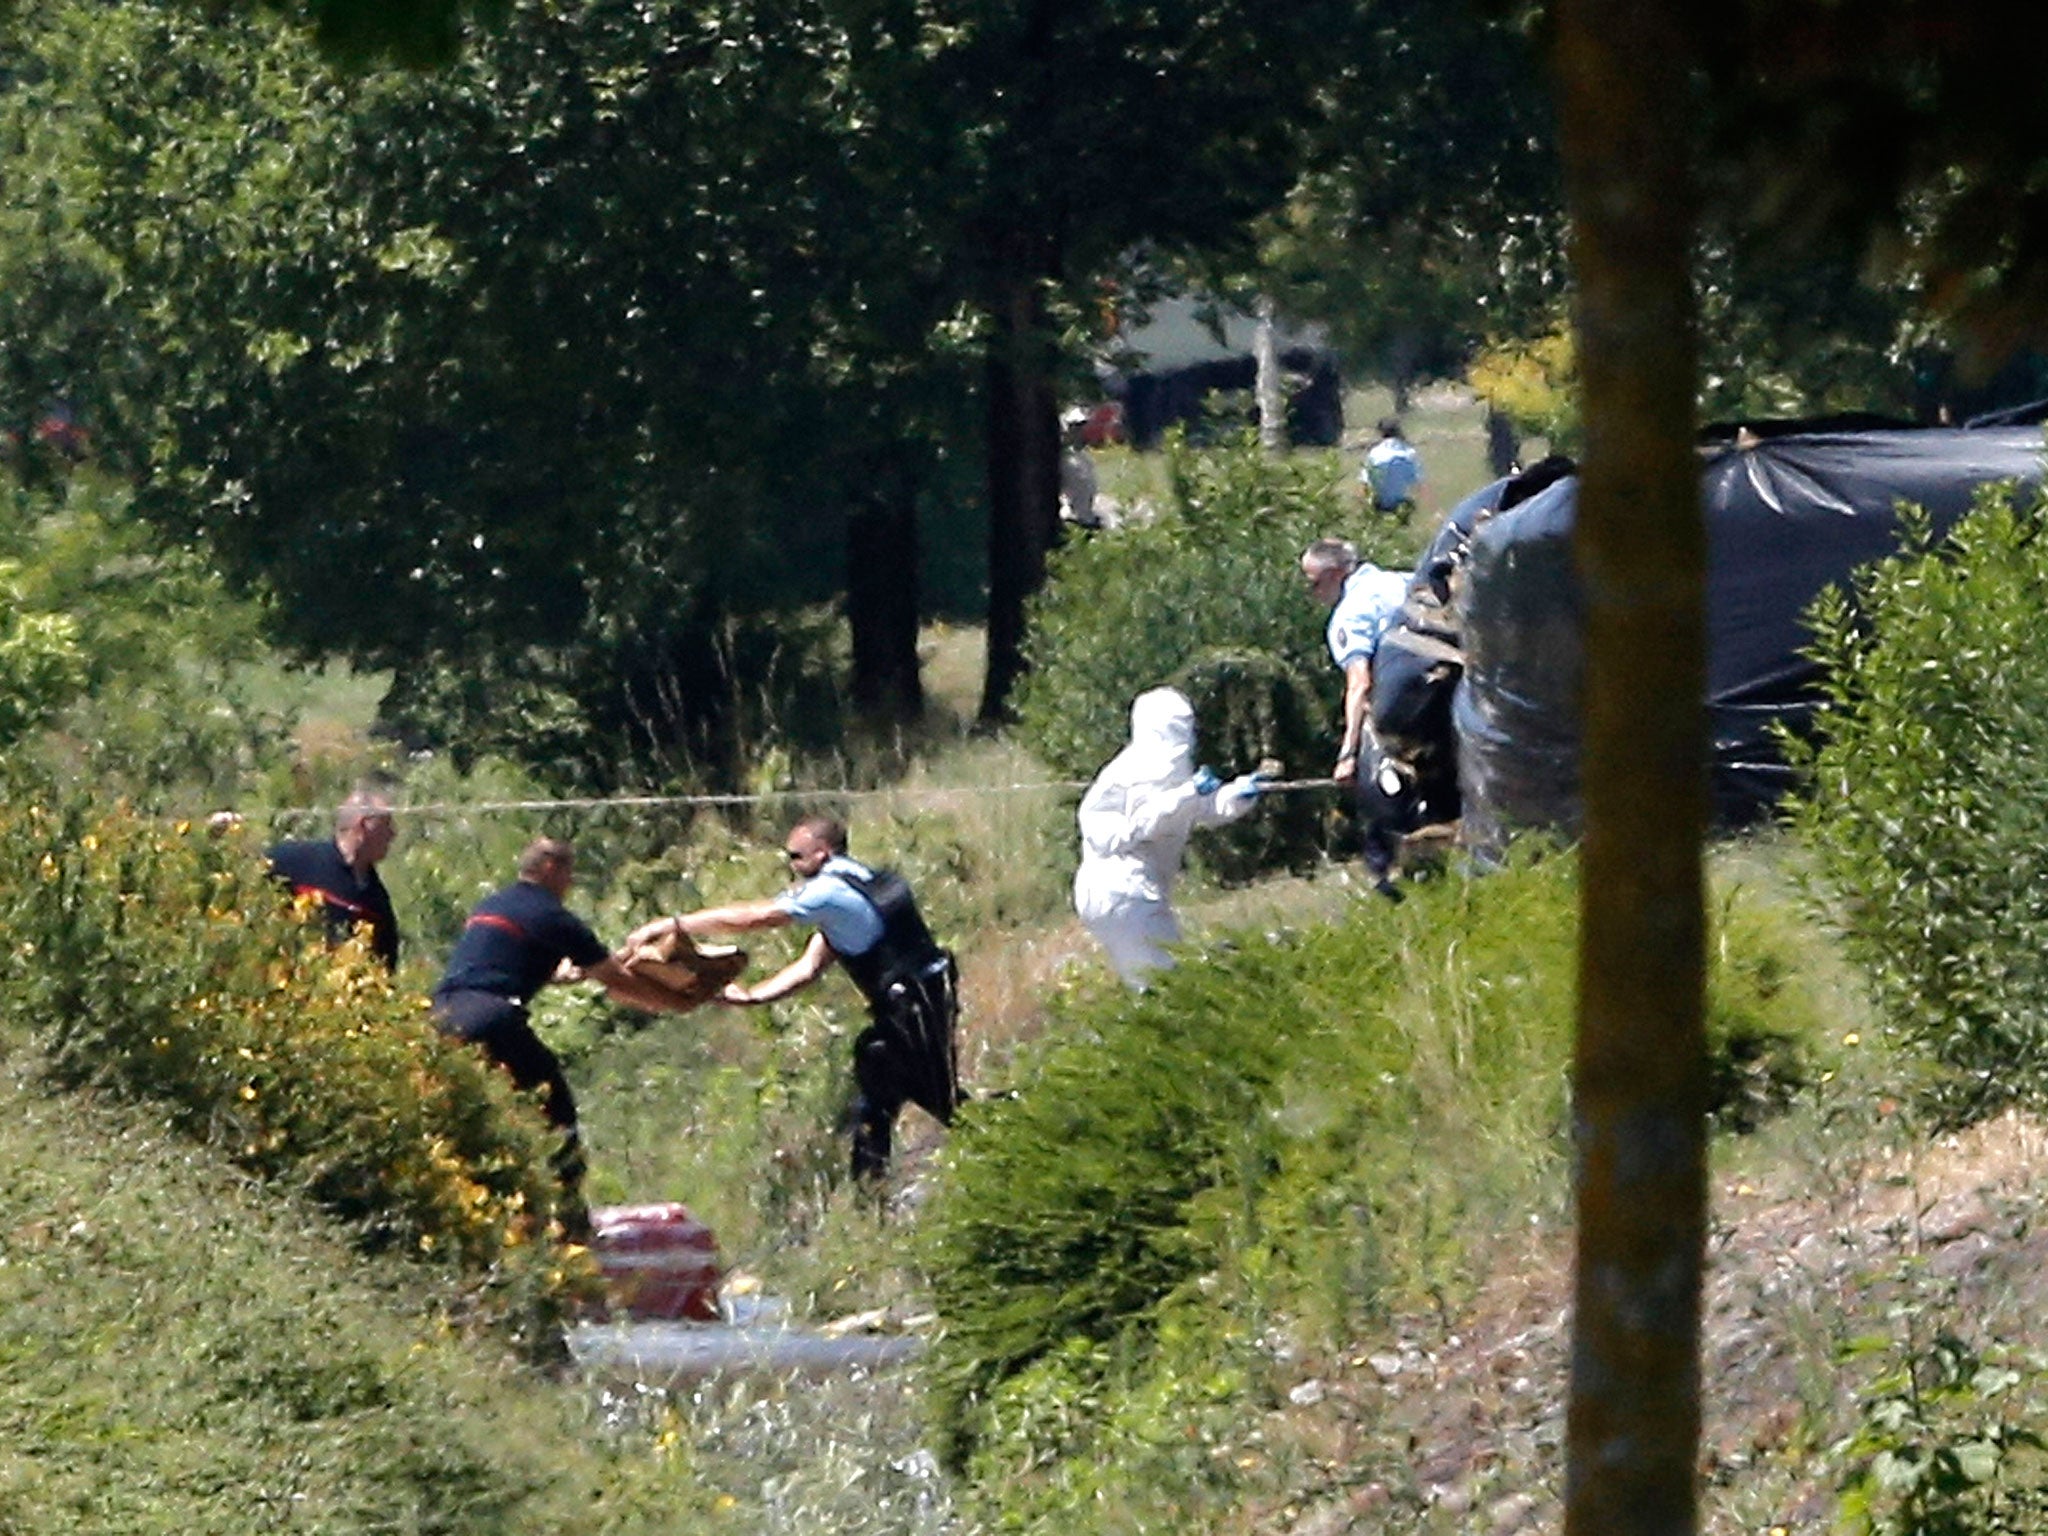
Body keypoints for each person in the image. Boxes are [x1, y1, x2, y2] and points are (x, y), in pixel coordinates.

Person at [633, 815, 959, 1183]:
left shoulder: (829, 892)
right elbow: (808, 968)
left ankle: (1008, 1134)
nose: (790, 864)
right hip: (920, 999)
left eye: (795, 856)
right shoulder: (863, 882)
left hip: (912, 1005)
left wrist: (673, 925)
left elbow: (759, 917)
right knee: (876, 1087)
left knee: (938, 1097)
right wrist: (752, 997)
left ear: (821, 853)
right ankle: (870, 1193)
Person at [431, 837, 689, 1215]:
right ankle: (568, 1219)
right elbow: (616, 980)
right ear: (551, 869)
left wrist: (556, 974)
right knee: (556, 1115)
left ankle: (476, 1213)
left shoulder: (491, 905)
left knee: (467, 1118)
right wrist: (675, 1001)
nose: (571, 883)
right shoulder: (554, 916)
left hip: (439, 1016)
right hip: (491, 1017)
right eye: (569, 872)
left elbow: (498, 961)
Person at [1072, 687, 1267, 990]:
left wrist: (1237, 794)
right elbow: (1145, 824)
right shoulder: (1135, 773)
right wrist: (1188, 793)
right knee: (1170, 987)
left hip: (1118, 894)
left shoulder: (1165, 770)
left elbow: (1198, 809)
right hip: (1125, 890)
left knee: (1149, 982)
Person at [1301, 537, 1414, 901]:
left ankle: (1389, 881)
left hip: (1404, 710)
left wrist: (1348, 753)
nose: (1312, 592)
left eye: (1313, 583)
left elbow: (1360, 683)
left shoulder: (1349, 614)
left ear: (1335, 574)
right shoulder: (1404, 580)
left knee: (1377, 792)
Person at [265, 788, 402, 971]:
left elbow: (385, 968)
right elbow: (246, 878)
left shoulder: (377, 900)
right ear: (363, 825)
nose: (393, 834)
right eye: (387, 824)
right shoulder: (295, 862)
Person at [1361, 417, 1423, 512]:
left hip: (1379, 506)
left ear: (1381, 433)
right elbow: (1420, 485)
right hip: (1399, 507)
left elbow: (1365, 484)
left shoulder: (1374, 453)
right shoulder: (1409, 453)